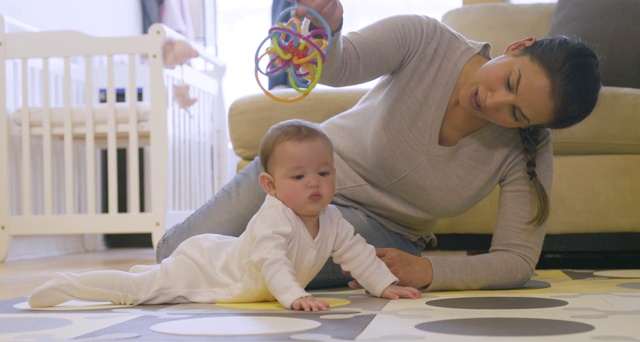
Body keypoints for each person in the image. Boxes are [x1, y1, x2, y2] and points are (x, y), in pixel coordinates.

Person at [156, 0, 602, 291]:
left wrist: (428, 271)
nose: (493, 102)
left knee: (245, 273)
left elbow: (517, 259)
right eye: (509, 81)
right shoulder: (427, 39)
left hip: (382, 233)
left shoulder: (527, 147)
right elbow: (339, 63)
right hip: (301, 175)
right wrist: (325, 28)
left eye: (517, 113)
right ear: (518, 46)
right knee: (175, 258)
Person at [29, 120, 421, 311]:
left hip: (224, 258)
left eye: (323, 173)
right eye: (298, 176)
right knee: (140, 295)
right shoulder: (275, 219)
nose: (313, 184)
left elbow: (357, 253)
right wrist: (296, 296)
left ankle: (141, 275)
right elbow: (272, 262)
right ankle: (70, 284)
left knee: (151, 282)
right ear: (268, 185)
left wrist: (384, 285)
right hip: (208, 269)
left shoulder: (333, 220)